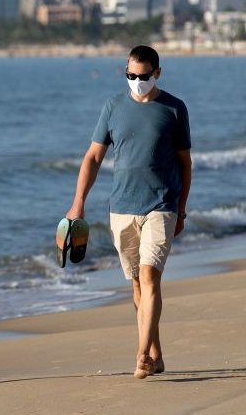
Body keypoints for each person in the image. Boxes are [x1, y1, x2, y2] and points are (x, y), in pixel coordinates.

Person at [65, 45, 191, 379]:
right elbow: (93, 157)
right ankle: (156, 352)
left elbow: (185, 163)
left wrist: (181, 210)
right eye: (130, 75)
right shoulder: (113, 107)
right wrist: (78, 203)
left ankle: (141, 357)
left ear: (157, 74)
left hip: (161, 205)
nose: (136, 81)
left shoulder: (174, 109)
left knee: (150, 277)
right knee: (137, 286)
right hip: (121, 207)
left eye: (143, 76)